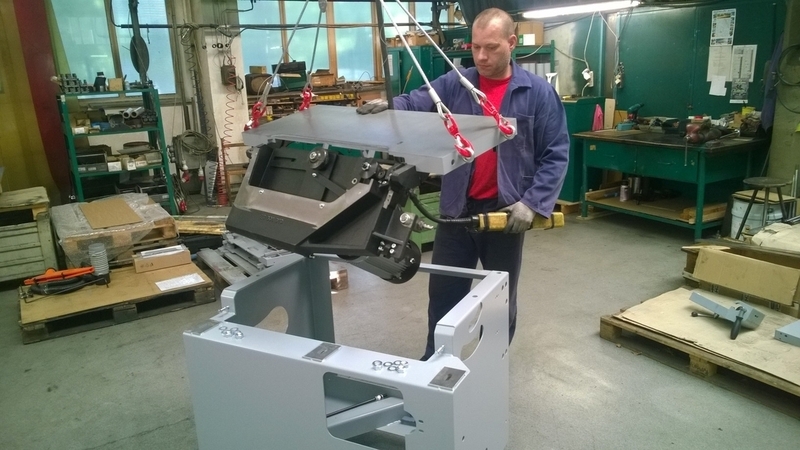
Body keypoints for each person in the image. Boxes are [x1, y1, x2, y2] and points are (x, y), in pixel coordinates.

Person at [359, 7, 569, 360]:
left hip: (504, 214)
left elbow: (556, 153)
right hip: (456, 210)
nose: (481, 57)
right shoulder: (456, 83)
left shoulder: (537, 93)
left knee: (499, 298)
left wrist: (532, 203)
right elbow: (418, 100)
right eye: (475, 47)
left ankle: (492, 364)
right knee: (444, 293)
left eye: (491, 48)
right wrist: (390, 105)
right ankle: (436, 360)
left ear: (512, 43)